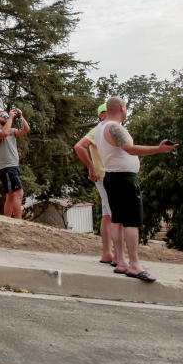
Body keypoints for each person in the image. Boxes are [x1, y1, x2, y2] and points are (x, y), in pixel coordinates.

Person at [94, 96, 177, 283]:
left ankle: (121, 261)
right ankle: (134, 264)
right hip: (124, 178)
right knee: (131, 222)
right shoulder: (115, 127)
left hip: (111, 176)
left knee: (117, 220)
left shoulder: (100, 127)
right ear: (122, 108)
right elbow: (130, 149)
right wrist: (159, 148)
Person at [74, 102, 119, 265]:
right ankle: (116, 255)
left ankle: (108, 253)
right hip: (106, 176)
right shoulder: (98, 130)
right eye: (109, 112)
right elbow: (79, 146)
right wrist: (91, 168)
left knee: (108, 214)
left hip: (105, 176)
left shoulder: (108, 130)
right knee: (115, 214)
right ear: (101, 115)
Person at [0, 109, 30, 218]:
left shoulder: (13, 131)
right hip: (7, 167)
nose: (5, 117)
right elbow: (4, 133)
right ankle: (18, 221)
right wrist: (10, 117)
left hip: (13, 166)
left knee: (10, 196)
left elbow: (26, 129)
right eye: (3, 116)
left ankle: (7, 220)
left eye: (6, 116)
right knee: (19, 193)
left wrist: (20, 116)